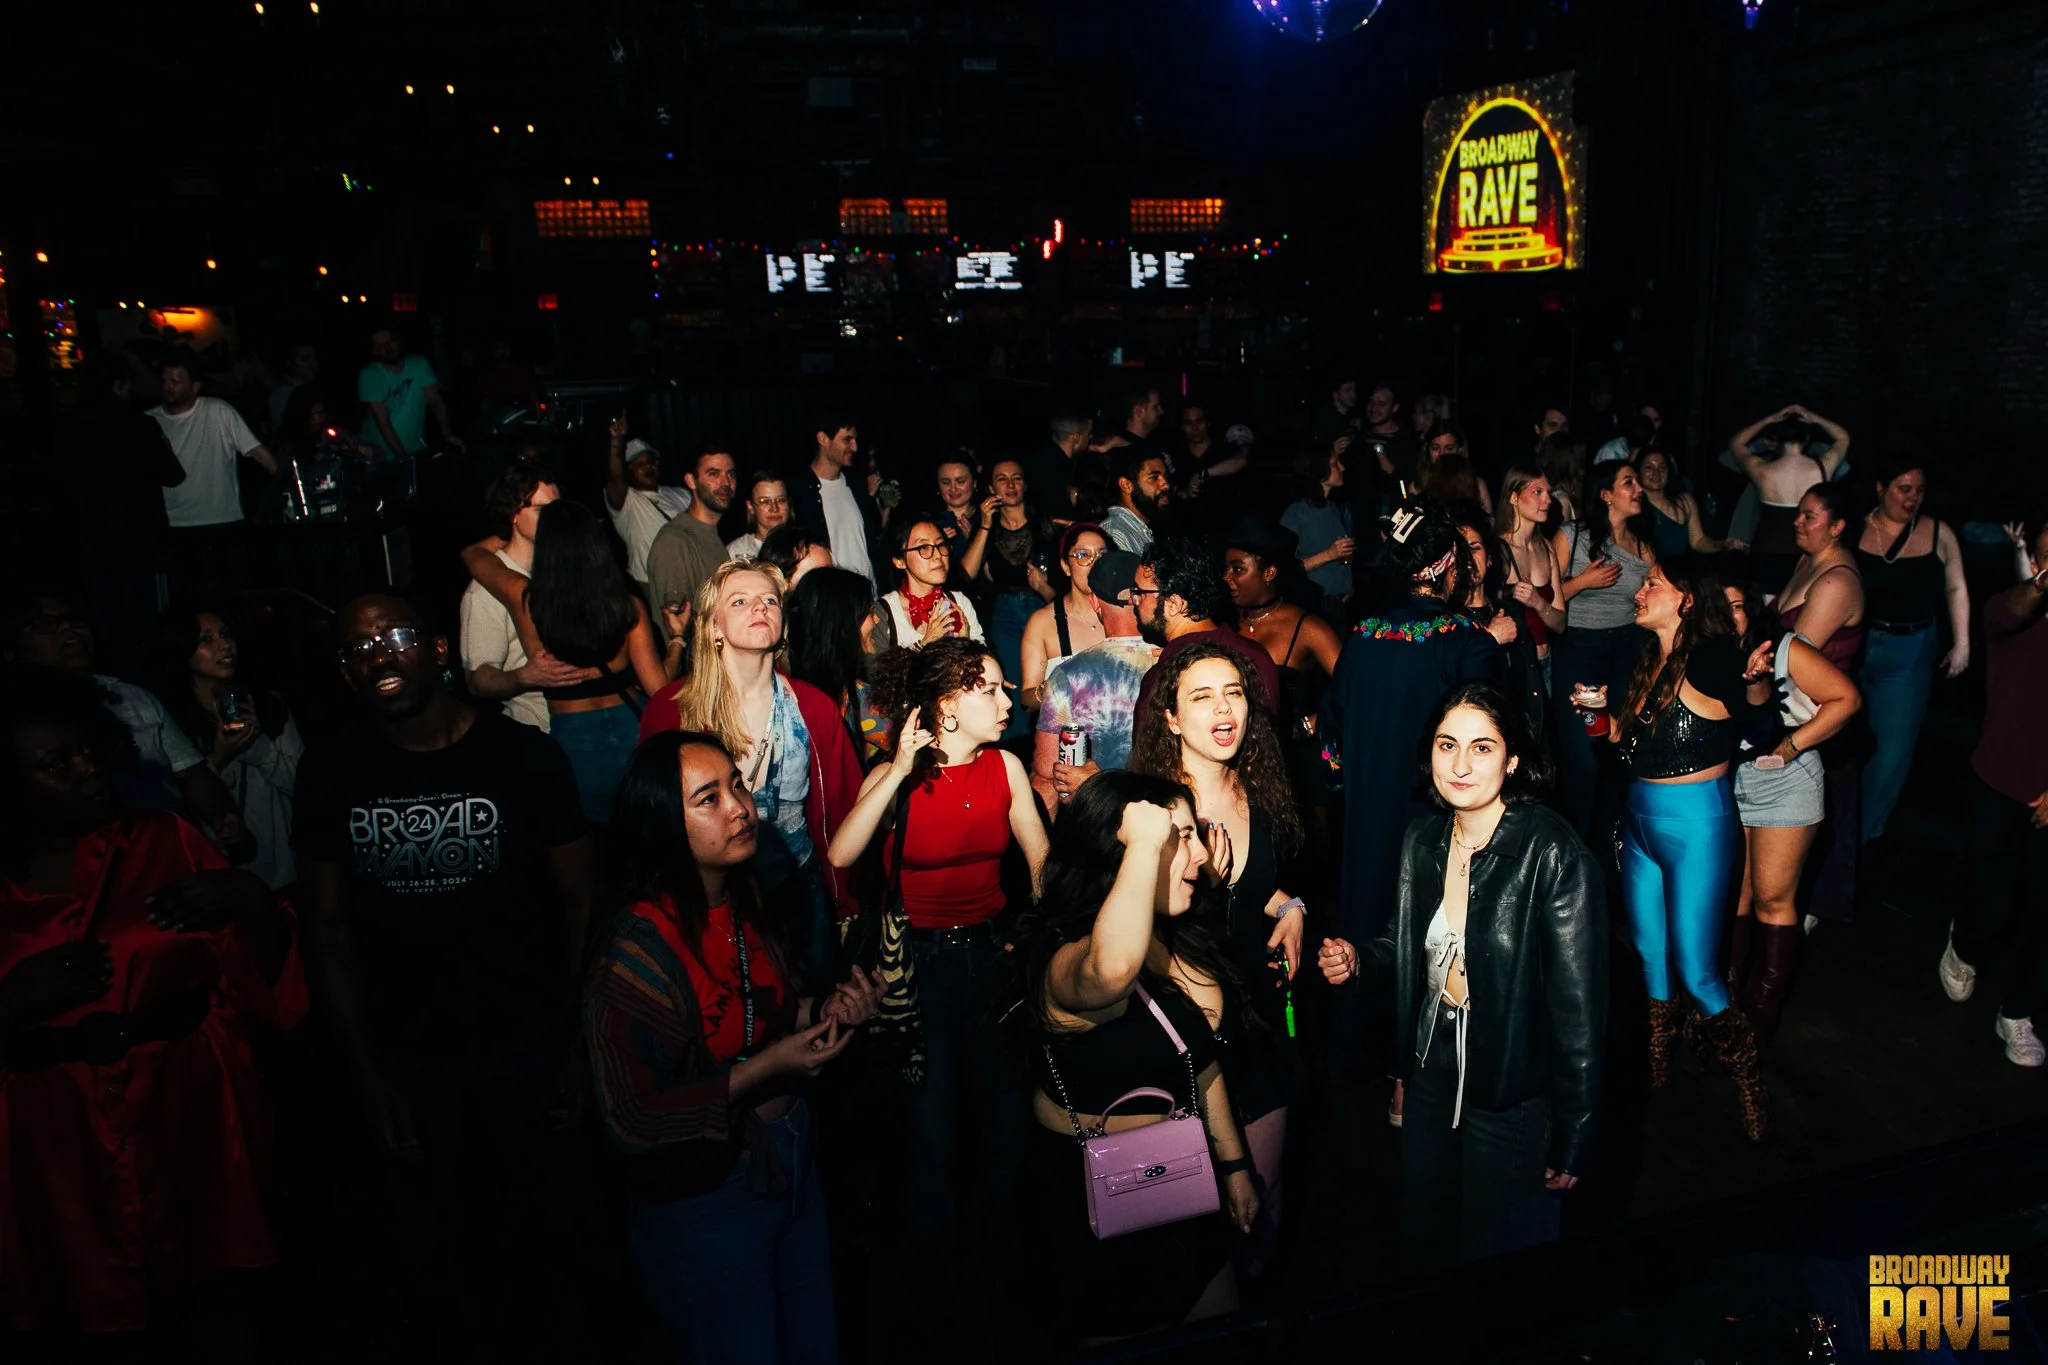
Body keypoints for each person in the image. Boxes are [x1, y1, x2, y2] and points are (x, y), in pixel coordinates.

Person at [294, 594, 597, 1358]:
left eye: (396, 635)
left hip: (525, 1044)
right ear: (344, 674)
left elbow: (581, 902)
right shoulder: (331, 768)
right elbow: (324, 927)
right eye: (357, 648)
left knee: (548, 1255)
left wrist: (575, 1047)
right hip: (411, 1058)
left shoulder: (522, 756)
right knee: (436, 1264)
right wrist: (365, 1077)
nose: (379, 654)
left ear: (437, 648)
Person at [0, 665, 303, 1340]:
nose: (89, 768)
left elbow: (268, 988)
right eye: (57, 764)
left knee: (217, 1305)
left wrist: (249, 897)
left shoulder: (164, 838)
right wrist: (13, 999)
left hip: (189, 1115)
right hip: (51, 1148)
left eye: (89, 748)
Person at [585, 731, 881, 1364]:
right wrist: (766, 1069)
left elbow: (765, 1012)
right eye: (708, 798)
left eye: (737, 785)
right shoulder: (638, 951)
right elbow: (632, 1117)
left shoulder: (742, 899)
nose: (740, 807)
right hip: (711, 1192)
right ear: (662, 822)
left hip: (793, 1156)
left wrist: (829, 1011)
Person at [1319, 682, 1604, 1267]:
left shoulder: (1552, 853)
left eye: (1482, 747)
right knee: (1424, 1225)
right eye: (1447, 745)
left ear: (1513, 759)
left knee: (1498, 1243)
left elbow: (1579, 1014)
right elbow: (1405, 945)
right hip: (1429, 1064)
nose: (1460, 765)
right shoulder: (1422, 838)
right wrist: (1359, 960)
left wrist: (1575, 1132)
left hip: (1509, 1079)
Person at [824, 640, 1049, 1313]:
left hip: (991, 958)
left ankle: (1002, 1278)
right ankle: (931, 1292)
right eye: (990, 690)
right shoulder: (894, 774)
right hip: (917, 967)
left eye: (1004, 689)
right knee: (930, 1133)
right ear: (946, 707)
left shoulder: (1005, 766)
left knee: (1005, 1122)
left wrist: (1035, 943)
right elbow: (842, 853)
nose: (1007, 702)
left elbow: (1040, 861)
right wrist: (897, 768)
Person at [1007, 771, 1259, 1343]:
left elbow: (1200, 1065)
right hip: (1092, 1205)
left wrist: (1234, 1165)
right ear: (1120, 851)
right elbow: (1110, 971)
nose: (1200, 855)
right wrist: (1146, 841)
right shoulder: (1064, 953)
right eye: (1179, 838)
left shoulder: (1176, 933)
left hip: (1183, 1177)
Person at [1129, 646, 1305, 1274]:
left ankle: (1257, 1308)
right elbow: (1128, 930)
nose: (1224, 708)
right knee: (1194, 1214)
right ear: (1171, 719)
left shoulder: (1256, 787)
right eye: (1201, 697)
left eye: (1233, 692)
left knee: (1264, 1193)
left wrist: (1291, 907)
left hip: (1259, 1021)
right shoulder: (1151, 811)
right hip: (1186, 1034)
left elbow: (1257, 886)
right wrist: (1203, 885)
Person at [1321, 500, 1503, 1077]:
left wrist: (1359, 780)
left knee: (1372, 943)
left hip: (1368, 825)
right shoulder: (1468, 642)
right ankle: (1419, 1076)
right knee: (1437, 942)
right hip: (1440, 828)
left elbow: (1330, 743)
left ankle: (1379, 1070)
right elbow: (1492, 743)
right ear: (1449, 565)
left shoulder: (1363, 636)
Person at [1594, 558, 1770, 1140]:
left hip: (1695, 826)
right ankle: (1657, 1068)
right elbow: (1626, 750)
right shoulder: (1648, 659)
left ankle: (1748, 1080)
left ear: (1687, 600)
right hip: (1640, 824)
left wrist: (1755, 680)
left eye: (1653, 584)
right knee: (1648, 954)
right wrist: (1597, 719)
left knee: (1697, 972)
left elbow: (1757, 717)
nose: (1639, 591)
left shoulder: (1712, 657)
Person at [642, 561, 864, 961]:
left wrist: (844, 898)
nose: (760, 607)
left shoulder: (813, 707)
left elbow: (844, 807)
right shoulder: (670, 710)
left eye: (769, 601)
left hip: (798, 893)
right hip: (708, 897)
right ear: (713, 627)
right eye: (740, 601)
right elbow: (651, 820)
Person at [2, 588, 246, 857]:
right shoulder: (14, 721)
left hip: (168, 856)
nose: (68, 629)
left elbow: (189, 772)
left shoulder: (132, 698)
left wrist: (221, 814)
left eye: (75, 620)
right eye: (45, 624)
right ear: (11, 649)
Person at [1724, 577, 1861, 1035]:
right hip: (1732, 781)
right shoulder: (1710, 653)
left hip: (1787, 782)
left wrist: (1792, 745)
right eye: (1718, 606)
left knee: (1773, 897)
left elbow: (1847, 699)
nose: (1728, 615)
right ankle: (1726, 1001)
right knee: (1736, 894)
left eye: (1737, 605)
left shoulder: (1786, 648)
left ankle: (1763, 1010)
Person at [1938, 523, 2048, 1066]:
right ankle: (1965, 945)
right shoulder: (2012, 609)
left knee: (2042, 912)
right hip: (1999, 780)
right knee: (1994, 901)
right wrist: (2041, 583)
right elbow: (2011, 611)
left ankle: (2019, 1013)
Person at [527, 502, 686, 824]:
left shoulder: (533, 605)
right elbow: (658, 687)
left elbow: (476, 558)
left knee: (589, 835)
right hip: (630, 724)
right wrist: (677, 641)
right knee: (642, 825)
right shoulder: (626, 604)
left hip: (574, 735)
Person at [137, 603, 305, 890]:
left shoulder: (267, 704)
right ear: (181, 649)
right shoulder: (167, 719)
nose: (224, 645)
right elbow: (167, 809)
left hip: (283, 876)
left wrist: (256, 747)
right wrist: (218, 758)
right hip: (215, 880)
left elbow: (303, 785)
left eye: (225, 634)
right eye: (206, 639)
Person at [1854, 456, 1971, 845]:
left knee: (1891, 754)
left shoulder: (1939, 532)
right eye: (1904, 489)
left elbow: (1956, 586)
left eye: (1919, 490)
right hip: (1857, 645)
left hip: (1909, 651)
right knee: (1844, 744)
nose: (1913, 498)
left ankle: (1865, 835)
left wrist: (1962, 644)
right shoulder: (1854, 527)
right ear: (1881, 488)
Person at [55, 361, 186, 677]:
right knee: (148, 619)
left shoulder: (69, 427)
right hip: (141, 540)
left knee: (107, 621)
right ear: (118, 385)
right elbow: (173, 474)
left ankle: (117, 678)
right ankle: (151, 679)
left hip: (92, 541)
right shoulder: (140, 425)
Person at [1549, 461, 1657, 837]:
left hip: (1628, 650)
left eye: (1638, 481)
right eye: (1629, 482)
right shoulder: (1572, 535)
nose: (1639, 488)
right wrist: (1583, 581)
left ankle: (1609, 842)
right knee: (1583, 755)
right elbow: (1545, 601)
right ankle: (1572, 844)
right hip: (1581, 649)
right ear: (1606, 494)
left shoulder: (1644, 545)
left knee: (1618, 748)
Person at [1033, 550, 1160, 814]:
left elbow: (1048, 770)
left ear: (1095, 602)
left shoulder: (1069, 675)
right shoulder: (1176, 658)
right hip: (1168, 811)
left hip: (1099, 819)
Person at [459, 464, 581, 735]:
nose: (554, 520)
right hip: (538, 728)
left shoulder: (563, 568)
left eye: (557, 510)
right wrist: (525, 676)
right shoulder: (485, 590)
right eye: (541, 511)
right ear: (513, 513)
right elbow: (477, 680)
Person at [1132, 536, 1283, 723]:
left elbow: (1150, 741)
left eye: (1139, 592)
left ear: (1174, 603)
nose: (1133, 599)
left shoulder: (1165, 675)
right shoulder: (1255, 654)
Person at [959, 459, 1053, 738]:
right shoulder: (985, 528)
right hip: (1005, 614)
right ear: (991, 488)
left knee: (1048, 686)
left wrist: (1044, 587)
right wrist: (984, 525)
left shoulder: (1045, 524)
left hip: (1043, 609)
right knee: (1010, 684)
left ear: (1026, 484)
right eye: (1002, 479)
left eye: (1016, 477)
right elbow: (967, 575)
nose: (1010, 485)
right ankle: (1014, 749)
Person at [1724, 404, 1850, 592]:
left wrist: (1770, 419)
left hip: (1766, 553)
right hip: (1807, 554)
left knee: (1766, 607)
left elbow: (1736, 442)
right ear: (1807, 438)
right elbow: (1843, 438)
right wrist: (1814, 417)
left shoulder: (1761, 470)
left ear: (1776, 440)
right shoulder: (1823, 467)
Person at [148, 351, 279, 528]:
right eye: (164, 381)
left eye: (174, 382)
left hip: (220, 520)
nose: (167, 387)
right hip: (170, 522)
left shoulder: (217, 411)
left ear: (195, 386)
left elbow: (259, 453)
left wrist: (286, 486)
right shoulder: (148, 420)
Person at [1453, 507, 1545, 746]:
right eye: (1460, 551)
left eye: (1475, 548)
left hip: (1522, 736)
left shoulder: (1511, 611)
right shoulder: (1448, 622)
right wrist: (1489, 638)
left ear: (1489, 557)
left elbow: (1530, 683)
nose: (1468, 558)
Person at [786, 566, 892, 765]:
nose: (876, 619)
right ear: (846, 625)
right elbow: (919, 744)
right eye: (869, 613)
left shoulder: (793, 687)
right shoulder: (856, 699)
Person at [647, 447, 741, 636]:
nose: (725, 483)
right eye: (713, 474)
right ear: (691, 481)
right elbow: (676, 629)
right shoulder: (675, 542)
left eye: (731, 474)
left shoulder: (711, 533)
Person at [1494, 464, 1568, 700]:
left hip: (1545, 663)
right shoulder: (1498, 550)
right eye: (1537, 492)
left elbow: (1560, 623)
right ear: (1513, 497)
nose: (1548, 500)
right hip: (1514, 668)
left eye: (1548, 492)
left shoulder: (1546, 547)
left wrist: (1538, 602)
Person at [1020, 522, 1108, 713]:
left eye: (1101, 554)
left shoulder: (1128, 613)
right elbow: (1027, 701)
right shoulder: (1043, 622)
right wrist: (1051, 690)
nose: (1095, 563)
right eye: (1083, 555)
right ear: (1066, 566)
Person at [789, 412, 884, 586]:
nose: (854, 447)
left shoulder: (857, 485)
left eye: (855, 440)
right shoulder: (800, 491)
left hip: (869, 593)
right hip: (831, 595)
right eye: (847, 440)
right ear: (823, 439)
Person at [602, 418, 691, 586]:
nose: (649, 467)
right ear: (629, 471)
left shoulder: (682, 494)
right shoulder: (627, 502)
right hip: (651, 584)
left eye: (651, 462)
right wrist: (615, 441)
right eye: (640, 464)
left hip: (689, 578)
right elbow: (615, 476)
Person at [358, 327, 465, 460]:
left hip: (415, 450)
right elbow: (383, 421)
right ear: (374, 351)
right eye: (380, 346)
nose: (387, 348)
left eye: (390, 342)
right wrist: (403, 459)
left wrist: (447, 434)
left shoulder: (419, 364)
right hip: (377, 453)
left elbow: (435, 401)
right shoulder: (370, 374)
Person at [881, 517, 988, 648]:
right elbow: (878, 662)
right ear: (899, 561)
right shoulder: (885, 611)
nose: (938, 555)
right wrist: (925, 645)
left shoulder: (959, 602)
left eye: (941, 545)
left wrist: (966, 646)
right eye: (924, 547)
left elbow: (985, 657)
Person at [1281, 443, 1357, 621]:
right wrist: (1328, 554)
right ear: (1319, 471)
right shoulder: (1296, 513)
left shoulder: (1332, 507)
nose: (1342, 468)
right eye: (1335, 464)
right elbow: (1285, 568)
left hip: (1340, 604)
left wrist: (1347, 585)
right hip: (1315, 608)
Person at [1638, 447, 1740, 560]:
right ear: (1638, 471)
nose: (1656, 473)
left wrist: (1722, 545)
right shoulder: (1632, 505)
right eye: (1649, 467)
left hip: (1679, 568)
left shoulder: (1685, 502)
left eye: (1662, 467)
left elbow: (1699, 542)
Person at [1172, 402, 1249, 530]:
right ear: (1181, 426)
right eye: (1188, 423)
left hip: (1227, 531)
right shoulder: (1176, 457)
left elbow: (1241, 461)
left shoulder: (1224, 450)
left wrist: (1205, 473)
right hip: (1188, 532)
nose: (1195, 428)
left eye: (1199, 422)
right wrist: (1185, 493)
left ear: (1208, 422)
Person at [1101, 447, 1172, 556]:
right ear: (1126, 485)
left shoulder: (1139, 528)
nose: (1166, 485)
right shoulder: (1116, 535)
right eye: (1154, 478)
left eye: (1165, 476)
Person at [1026, 413, 1093, 522]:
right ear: (1076, 438)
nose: (1091, 437)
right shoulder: (1054, 470)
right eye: (1088, 433)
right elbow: (1060, 515)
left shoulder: (1044, 458)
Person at [1418, 423, 1492, 517]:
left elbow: (1489, 521)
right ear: (1427, 450)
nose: (1442, 454)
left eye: (1449, 448)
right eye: (1435, 448)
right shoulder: (1418, 485)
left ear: (1460, 450)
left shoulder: (1478, 485)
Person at [727, 470, 790, 560]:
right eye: (765, 501)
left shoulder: (803, 548)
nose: (774, 508)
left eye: (781, 500)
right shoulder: (737, 551)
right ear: (751, 507)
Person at [933, 458, 981, 557]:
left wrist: (976, 542)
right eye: (946, 482)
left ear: (974, 483)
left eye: (960, 481)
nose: (953, 489)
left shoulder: (988, 519)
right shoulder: (928, 522)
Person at [267, 342, 319, 430]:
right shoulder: (284, 393)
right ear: (290, 363)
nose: (312, 364)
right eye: (304, 359)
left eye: (314, 358)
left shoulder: (313, 390)